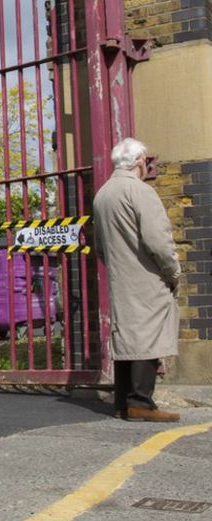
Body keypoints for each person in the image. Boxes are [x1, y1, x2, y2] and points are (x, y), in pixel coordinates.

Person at [93, 137, 181, 422]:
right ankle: (141, 402)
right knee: (148, 336)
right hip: (147, 276)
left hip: (119, 276)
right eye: (147, 162)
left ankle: (122, 402)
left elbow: (100, 246)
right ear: (140, 161)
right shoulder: (141, 192)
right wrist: (172, 272)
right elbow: (158, 242)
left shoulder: (102, 194)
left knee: (127, 337)